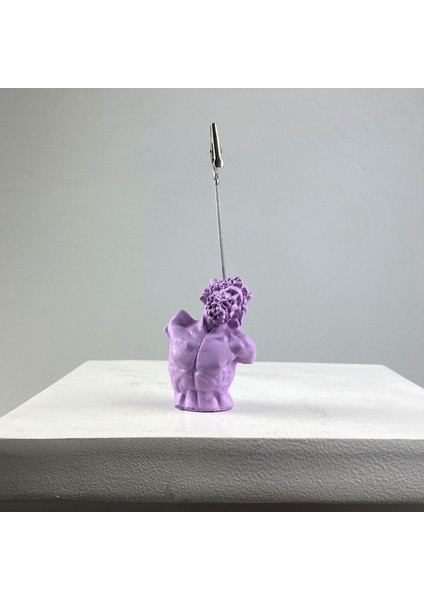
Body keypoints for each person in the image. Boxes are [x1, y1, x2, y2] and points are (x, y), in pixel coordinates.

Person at [165, 277, 256, 411]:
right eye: (223, 292)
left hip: (220, 412)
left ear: (239, 310)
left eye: (234, 298)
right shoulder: (176, 327)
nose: (226, 299)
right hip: (178, 408)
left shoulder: (239, 344)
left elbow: (250, 357)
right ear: (207, 295)